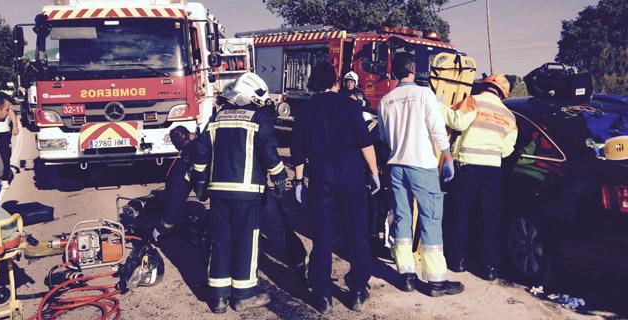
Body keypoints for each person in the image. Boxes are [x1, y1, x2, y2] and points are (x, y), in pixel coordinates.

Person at [193, 73, 287, 314]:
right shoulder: (258, 119)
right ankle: (244, 295)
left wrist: (200, 183)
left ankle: (218, 297)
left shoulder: (216, 120)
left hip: (218, 194)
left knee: (221, 240)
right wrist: (279, 178)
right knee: (246, 241)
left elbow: (201, 154)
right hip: (247, 194)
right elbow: (269, 153)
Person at [290, 63, 380, 313]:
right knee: (357, 233)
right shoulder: (351, 106)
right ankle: (359, 290)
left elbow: (297, 150)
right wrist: (374, 173)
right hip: (351, 175)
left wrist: (298, 181)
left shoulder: (307, 110)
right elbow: (365, 142)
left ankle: (323, 296)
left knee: (322, 236)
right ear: (335, 82)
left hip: (321, 177)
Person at [377, 53, 463, 297]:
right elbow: (437, 130)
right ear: (413, 70)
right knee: (431, 218)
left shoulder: (386, 100)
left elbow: (383, 137)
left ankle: (406, 275)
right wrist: (448, 158)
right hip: (422, 166)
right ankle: (436, 281)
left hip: (396, 167)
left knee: (401, 218)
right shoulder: (425, 95)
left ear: (395, 73)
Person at [441, 74, 518, 281]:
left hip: (468, 164)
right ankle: (490, 267)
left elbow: (458, 122)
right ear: (503, 93)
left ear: (485, 85)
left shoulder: (473, 100)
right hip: (493, 167)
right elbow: (508, 148)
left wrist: (439, 107)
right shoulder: (509, 115)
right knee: (490, 218)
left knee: (461, 213)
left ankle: (457, 261)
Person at [152, 125, 203, 242]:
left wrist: (163, 227)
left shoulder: (183, 162)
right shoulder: (207, 144)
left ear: (175, 146)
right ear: (190, 135)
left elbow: (176, 196)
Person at [0, 108, 18, 188]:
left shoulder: (1, 102)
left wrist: (15, 126)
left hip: (3, 133)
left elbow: (11, 112)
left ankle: (4, 179)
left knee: (5, 156)